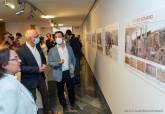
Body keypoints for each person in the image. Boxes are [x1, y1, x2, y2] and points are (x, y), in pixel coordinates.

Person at [16, 29, 53, 114]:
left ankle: (48, 110)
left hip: (40, 76)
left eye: (38, 36)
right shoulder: (20, 51)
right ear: (29, 38)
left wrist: (44, 64)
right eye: (36, 36)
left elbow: (43, 58)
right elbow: (21, 67)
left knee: (45, 94)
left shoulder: (38, 46)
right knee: (32, 99)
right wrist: (37, 69)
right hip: (29, 79)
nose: (38, 38)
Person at [0, 46, 37, 114]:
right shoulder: (8, 88)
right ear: (4, 65)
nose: (20, 60)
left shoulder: (10, 79)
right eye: (15, 58)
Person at [48, 31, 76, 112]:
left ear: (63, 37)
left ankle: (72, 103)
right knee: (60, 91)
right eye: (56, 37)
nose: (57, 38)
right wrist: (58, 63)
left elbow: (73, 58)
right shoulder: (52, 50)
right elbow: (50, 63)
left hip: (69, 72)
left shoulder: (69, 48)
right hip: (58, 73)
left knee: (71, 89)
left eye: (59, 36)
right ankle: (63, 105)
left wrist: (73, 67)